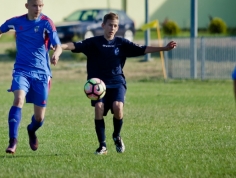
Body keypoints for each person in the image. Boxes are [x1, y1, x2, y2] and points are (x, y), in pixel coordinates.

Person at [61, 12, 177, 155]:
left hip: (117, 83)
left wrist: (164, 48)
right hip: (99, 86)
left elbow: (142, 48)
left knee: (118, 107)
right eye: (110, 25)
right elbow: (75, 45)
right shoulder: (94, 43)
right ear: (103, 25)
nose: (112, 28)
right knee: (98, 107)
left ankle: (116, 135)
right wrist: (60, 47)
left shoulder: (121, 43)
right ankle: (102, 146)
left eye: (115, 26)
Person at [0, 0, 62, 154]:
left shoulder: (47, 23)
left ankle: (31, 130)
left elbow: (58, 44)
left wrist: (56, 54)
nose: (37, 9)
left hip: (42, 74)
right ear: (27, 6)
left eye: (40, 6)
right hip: (22, 71)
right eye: (34, 5)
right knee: (18, 99)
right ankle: (13, 141)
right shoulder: (17, 22)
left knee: (39, 118)